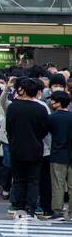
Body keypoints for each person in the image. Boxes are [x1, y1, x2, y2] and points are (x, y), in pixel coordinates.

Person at [6, 78, 50, 220]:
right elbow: (44, 130)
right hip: (36, 148)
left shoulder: (13, 107)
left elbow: (9, 128)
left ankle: (19, 208)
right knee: (33, 180)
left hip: (17, 147)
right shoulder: (41, 109)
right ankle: (31, 209)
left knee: (18, 180)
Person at [48, 90, 71, 222]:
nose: (51, 103)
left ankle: (58, 211)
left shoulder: (52, 118)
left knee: (58, 184)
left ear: (58, 103)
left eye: (53, 101)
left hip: (57, 154)